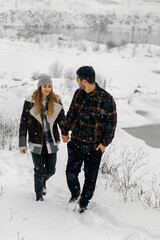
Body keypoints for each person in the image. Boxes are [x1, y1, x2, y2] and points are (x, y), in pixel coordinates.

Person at [62, 66, 117, 213]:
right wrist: (65, 130)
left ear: (84, 81)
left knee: (90, 178)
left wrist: (104, 144)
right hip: (76, 143)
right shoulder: (78, 94)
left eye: (77, 79)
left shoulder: (106, 99)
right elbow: (71, 113)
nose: (76, 81)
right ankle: (75, 194)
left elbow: (111, 123)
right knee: (70, 173)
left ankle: (84, 202)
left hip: (94, 147)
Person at [19, 73, 66, 201]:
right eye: (45, 86)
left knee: (51, 170)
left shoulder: (56, 101)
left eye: (49, 86)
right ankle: (39, 196)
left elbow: (62, 120)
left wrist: (65, 132)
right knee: (39, 170)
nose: (47, 89)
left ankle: (42, 182)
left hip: (51, 142)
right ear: (40, 87)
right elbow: (23, 123)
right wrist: (22, 144)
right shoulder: (30, 102)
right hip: (36, 142)